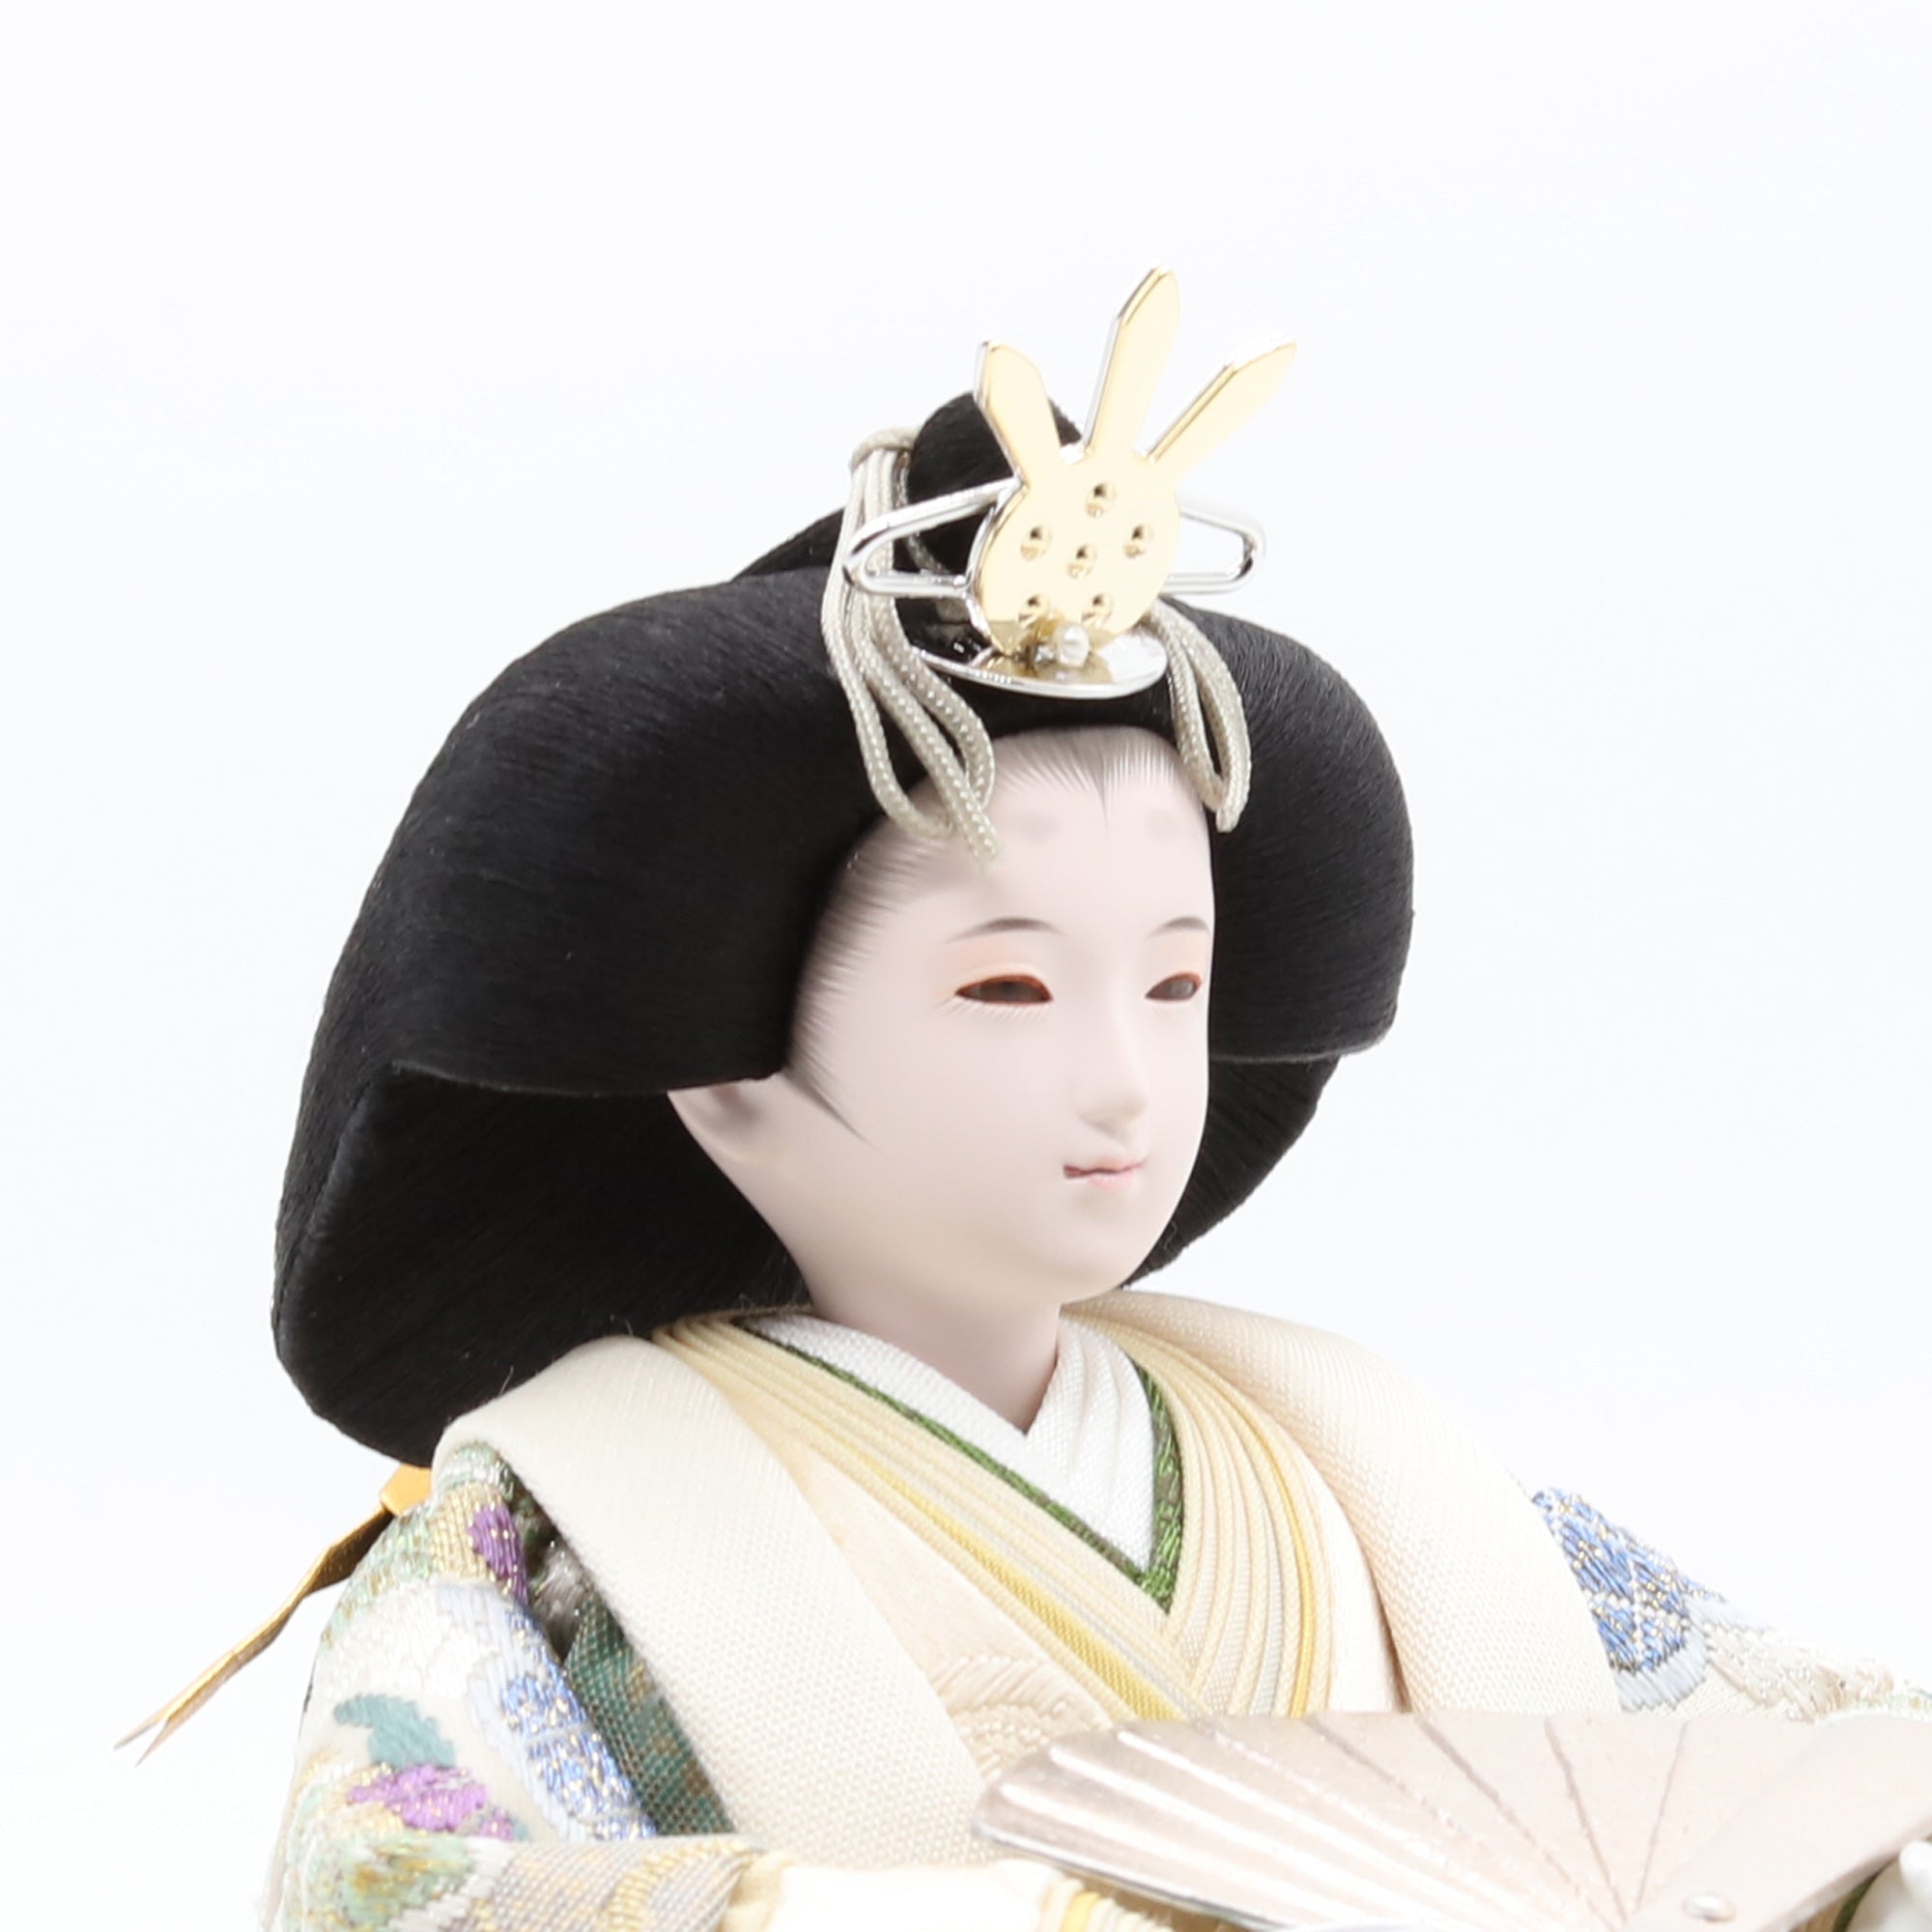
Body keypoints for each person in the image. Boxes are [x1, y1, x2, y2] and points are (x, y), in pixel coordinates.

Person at [259, 290, 1926, 1932]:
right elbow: (393, 1888)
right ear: (732, 1082)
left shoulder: (1378, 1480)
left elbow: (1824, 1775)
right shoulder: (563, 1543)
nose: (1124, 1075)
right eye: (1009, 990)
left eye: (1176, 985)